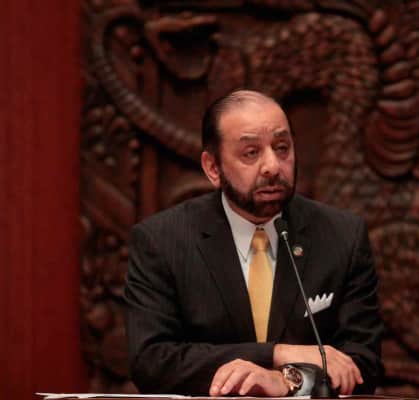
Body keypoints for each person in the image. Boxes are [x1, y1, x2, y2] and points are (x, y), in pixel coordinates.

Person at [124, 89, 384, 396]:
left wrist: (289, 381)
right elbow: (152, 362)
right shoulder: (162, 241)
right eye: (251, 153)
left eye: (282, 148)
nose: (272, 166)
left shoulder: (342, 236)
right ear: (213, 168)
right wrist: (276, 354)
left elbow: (363, 363)